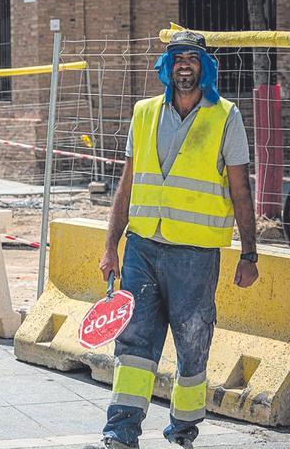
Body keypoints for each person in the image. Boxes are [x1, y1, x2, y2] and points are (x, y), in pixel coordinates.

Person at [86, 31, 259, 449]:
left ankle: (182, 430)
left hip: (195, 254)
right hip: (142, 248)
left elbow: (241, 190)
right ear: (167, 66)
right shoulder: (143, 113)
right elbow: (125, 186)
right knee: (134, 342)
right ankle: (121, 431)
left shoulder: (226, 116)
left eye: (193, 58)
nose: (185, 65)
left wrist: (249, 253)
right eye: (177, 58)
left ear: (205, 67)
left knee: (192, 343)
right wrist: (111, 245)